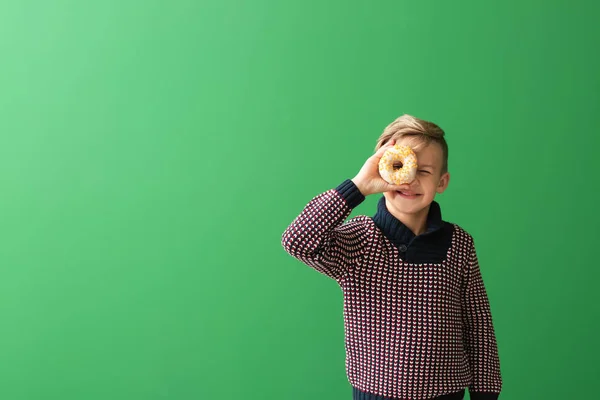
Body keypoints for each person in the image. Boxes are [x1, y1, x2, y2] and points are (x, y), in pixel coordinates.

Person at [281, 114, 503, 400]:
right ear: (382, 169)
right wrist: (358, 186)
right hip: (376, 392)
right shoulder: (359, 240)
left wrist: (485, 392)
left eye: (423, 171)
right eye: (399, 166)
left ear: (442, 181)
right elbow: (297, 240)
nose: (408, 180)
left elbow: (478, 324)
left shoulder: (459, 244)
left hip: (447, 393)